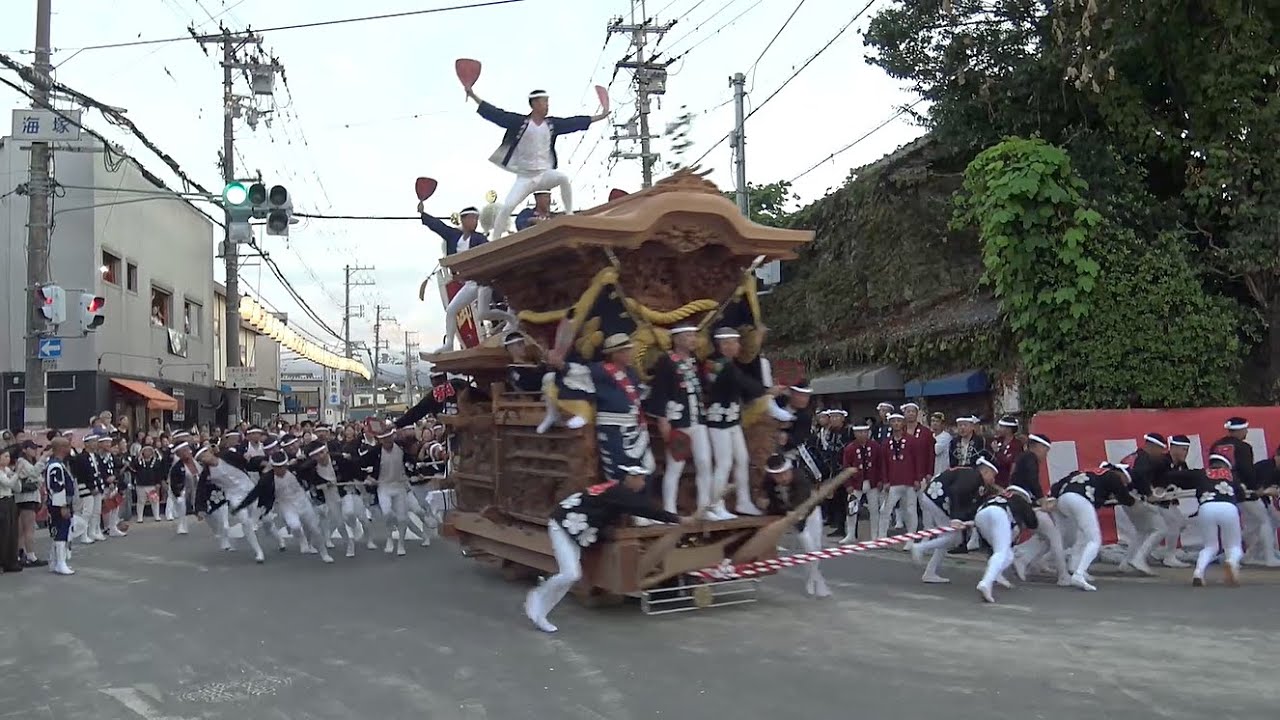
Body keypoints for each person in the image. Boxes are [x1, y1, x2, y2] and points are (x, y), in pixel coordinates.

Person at [524, 470, 692, 633]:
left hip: (573, 531)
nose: (643, 483)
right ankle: (538, 597)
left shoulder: (615, 489)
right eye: (640, 478)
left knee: (571, 576)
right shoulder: (619, 492)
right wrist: (678, 519)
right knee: (570, 574)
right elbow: (644, 509)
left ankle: (540, 615)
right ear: (629, 478)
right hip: (562, 526)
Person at [466, 86, 609, 240]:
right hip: (525, 177)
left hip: (544, 174)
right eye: (544, 102)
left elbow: (572, 123)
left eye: (548, 102)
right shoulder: (520, 122)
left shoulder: (551, 125)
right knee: (507, 206)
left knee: (563, 179)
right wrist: (474, 96)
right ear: (534, 104)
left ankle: (569, 213)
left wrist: (601, 116)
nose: (547, 106)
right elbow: (497, 115)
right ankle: (495, 239)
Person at [703, 328, 792, 519]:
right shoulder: (715, 364)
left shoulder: (730, 364)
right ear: (724, 344)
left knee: (742, 460)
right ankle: (715, 504)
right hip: (718, 419)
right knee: (724, 462)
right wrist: (767, 391)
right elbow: (742, 382)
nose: (738, 346)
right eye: (735, 342)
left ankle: (744, 501)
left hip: (733, 417)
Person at [644, 325, 712, 515]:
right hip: (678, 421)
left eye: (694, 335)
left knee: (704, 462)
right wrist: (663, 420)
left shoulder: (695, 361)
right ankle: (669, 509)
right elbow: (660, 393)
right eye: (688, 335)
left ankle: (704, 507)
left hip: (697, 419)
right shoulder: (666, 362)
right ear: (677, 339)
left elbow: (704, 387)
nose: (693, 339)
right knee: (675, 465)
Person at [912, 452, 1000, 583]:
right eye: (993, 475)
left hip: (936, 498)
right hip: (937, 499)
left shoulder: (973, 476)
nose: (993, 480)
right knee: (952, 536)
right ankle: (921, 548)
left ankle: (930, 571)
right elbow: (956, 492)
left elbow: (968, 502)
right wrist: (956, 518)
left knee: (951, 537)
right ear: (986, 471)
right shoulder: (973, 477)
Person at [1050, 462, 1137, 591]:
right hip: (1081, 500)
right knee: (1095, 540)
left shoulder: (1085, 471)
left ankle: (1074, 566)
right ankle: (1079, 574)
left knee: (1083, 534)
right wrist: (1136, 500)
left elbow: (1056, 486)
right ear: (1120, 473)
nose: (1124, 484)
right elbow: (1125, 498)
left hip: (1064, 499)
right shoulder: (1112, 476)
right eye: (1124, 480)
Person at [237, 450, 333, 564]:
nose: (280, 470)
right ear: (272, 466)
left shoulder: (296, 470)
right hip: (286, 504)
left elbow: (312, 473)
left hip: (302, 501)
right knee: (295, 526)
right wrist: (239, 507)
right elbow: (254, 494)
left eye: (283, 466)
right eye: (277, 467)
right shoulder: (267, 479)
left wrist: (325, 482)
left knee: (315, 529)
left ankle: (324, 553)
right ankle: (302, 540)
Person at [1006, 433, 1071, 586]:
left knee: (1043, 536)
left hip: (1018, 499)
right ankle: (1063, 575)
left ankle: (1025, 558)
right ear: (1039, 447)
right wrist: (1042, 501)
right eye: (1046, 450)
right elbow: (1032, 480)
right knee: (1054, 535)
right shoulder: (1030, 457)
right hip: (1022, 500)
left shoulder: (1022, 457)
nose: (1045, 455)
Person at [761, 453, 830, 597]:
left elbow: (802, 501)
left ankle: (813, 579)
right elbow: (771, 502)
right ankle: (816, 582)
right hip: (792, 518)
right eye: (778, 475)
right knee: (809, 547)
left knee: (816, 548)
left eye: (784, 473)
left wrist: (794, 512)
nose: (782, 478)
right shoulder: (769, 483)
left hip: (810, 512)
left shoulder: (800, 478)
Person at [194, 444, 267, 563]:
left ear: (210, 452)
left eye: (205, 455)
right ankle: (258, 551)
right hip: (234, 497)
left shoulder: (227, 456)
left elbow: (246, 462)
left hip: (249, 489)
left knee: (265, 517)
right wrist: (199, 509)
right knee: (245, 521)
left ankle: (278, 538)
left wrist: (261, 463)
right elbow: (201, 491)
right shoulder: (207, 474)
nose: (205, 459)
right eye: (201, 459)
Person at [972, 485, 1040, 604]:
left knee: (1008, 554)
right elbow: (1032, 523)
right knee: (1001, 552)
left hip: (981, 514)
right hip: (1000, 514)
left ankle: (995, 575)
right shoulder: (1019, 499)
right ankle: (986, 582)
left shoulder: (995, 497)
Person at [44, 436, 76, 576]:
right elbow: (57, 487)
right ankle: (60, 563)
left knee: (62, 531)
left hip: (63, 502)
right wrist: (62, 506)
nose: (70, 449)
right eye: (67, 446)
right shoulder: (55, 466)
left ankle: (55, 560)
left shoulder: (59, 464)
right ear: (62, 448)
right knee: (61, 532)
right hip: (59, 504)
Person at [14, 440, 45, 567]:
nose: (34, 450)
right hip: (27, 498)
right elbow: (34, 473)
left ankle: (20, 554)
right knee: (28, 528)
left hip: (25, 497)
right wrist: (43, 459)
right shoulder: (22, 461)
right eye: (32, 448)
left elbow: (38, 478)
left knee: (22, 529)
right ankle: (30, 555)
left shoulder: (28, 461)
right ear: (25, 449)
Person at [0, 447, 20, 573]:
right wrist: (17, 473)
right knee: (3, 532)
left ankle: (11, 561)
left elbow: (16, 487)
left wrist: (15, 474)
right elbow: (7, 483)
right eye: (5, 456)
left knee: (12, 532)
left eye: (8, 456)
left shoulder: (7, 470)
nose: (7, 459)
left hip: (10, 500)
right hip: (1, 501)